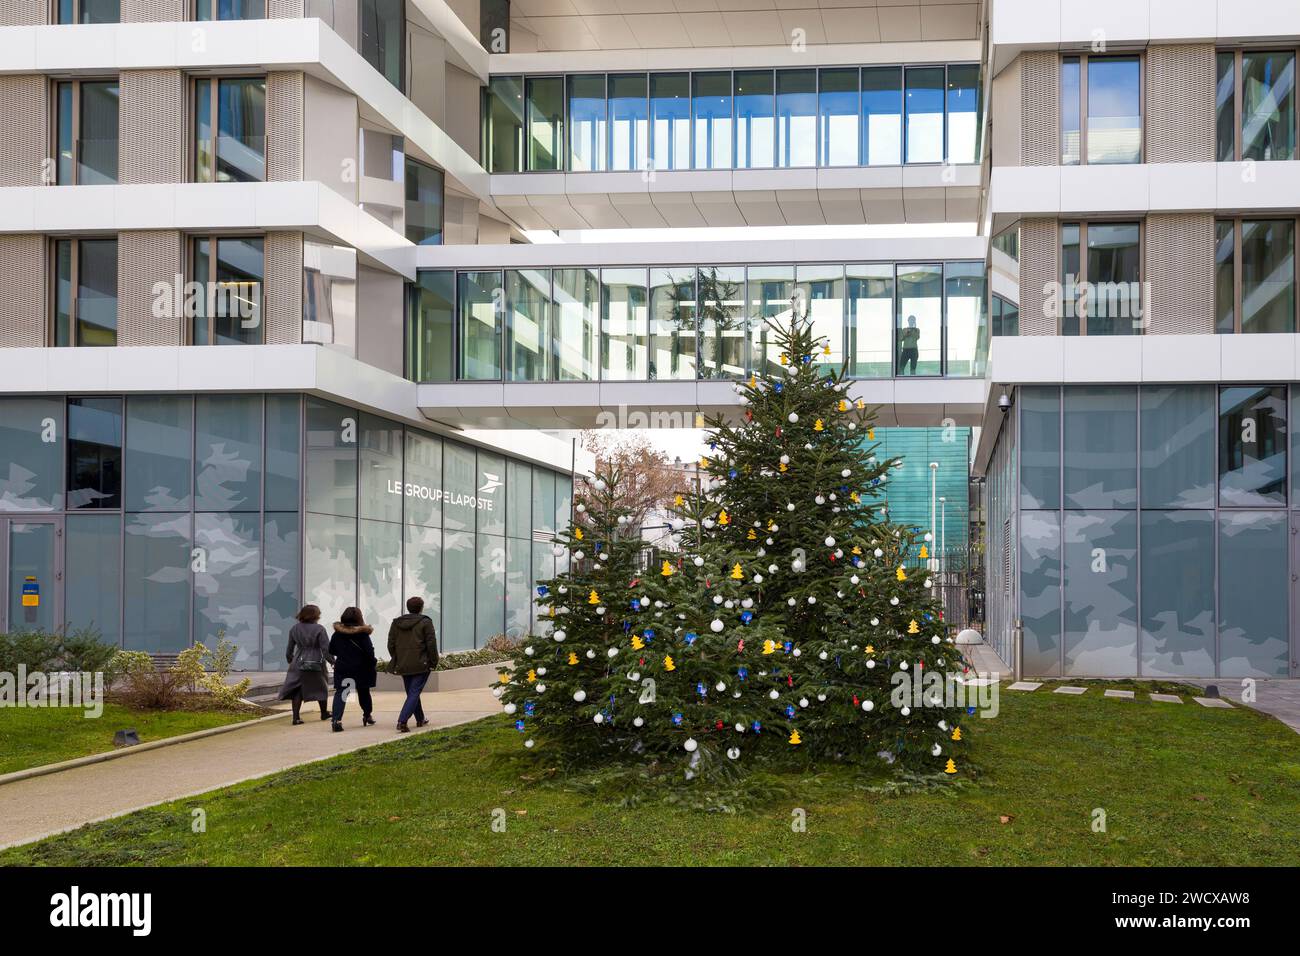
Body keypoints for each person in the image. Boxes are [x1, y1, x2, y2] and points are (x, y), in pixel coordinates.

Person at [388, 596, 439, 733]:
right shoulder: (425, 622)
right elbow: (431, 643)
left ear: (408, 607)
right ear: (421, 608)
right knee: (414, 692)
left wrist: (398, 658)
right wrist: (433, 661)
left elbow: (391, 644)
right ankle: (402, 721)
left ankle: (420, 719)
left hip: (403, 663)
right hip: (421, 664)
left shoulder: (396, 623)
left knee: (412, 692)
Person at [279, 605, 334, 725]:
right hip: (315, 661)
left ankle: (296, 717)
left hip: (298, 660)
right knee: (321, 687)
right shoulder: (320, 629)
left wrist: (290, 660)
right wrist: (333, 662)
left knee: (298, 689)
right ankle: (324, 713)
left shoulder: (294, 628)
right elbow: (325, 649)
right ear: (316, 615)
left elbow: (289, 649)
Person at [329, 606, 377, 732]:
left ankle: (336, 720)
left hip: (343, 667)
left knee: (342, 693)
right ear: (359, 618)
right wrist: (373, 663)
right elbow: (369, 652)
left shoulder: (337, 634)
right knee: (364, 692)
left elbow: (331, 650)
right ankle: (367, 715)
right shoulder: (363, 634)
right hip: (362, 668)